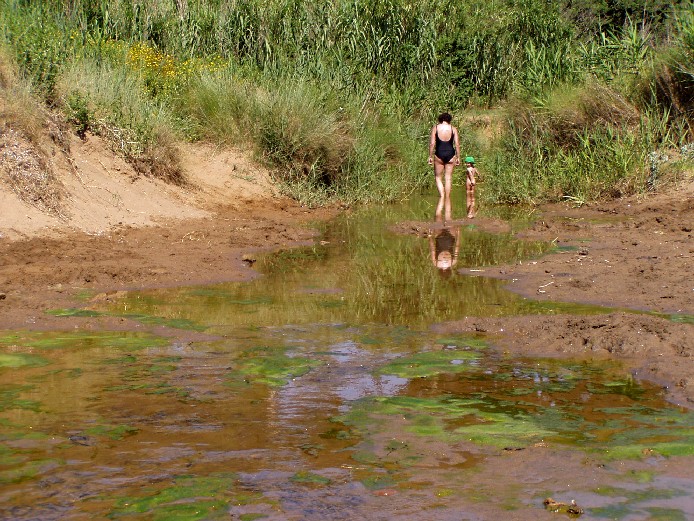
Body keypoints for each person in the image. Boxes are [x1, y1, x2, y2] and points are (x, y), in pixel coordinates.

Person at [428, 113, 460, 223]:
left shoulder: (436, 128)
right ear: (449, 119)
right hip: (451, 153)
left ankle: (442, 197)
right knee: (448, 178)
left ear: (440, 119)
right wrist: (458, 157)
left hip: (439, 154)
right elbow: (457, 143)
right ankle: (447, 198)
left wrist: (430, 156)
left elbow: (432, 143)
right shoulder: (453, 128)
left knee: (438, 177)